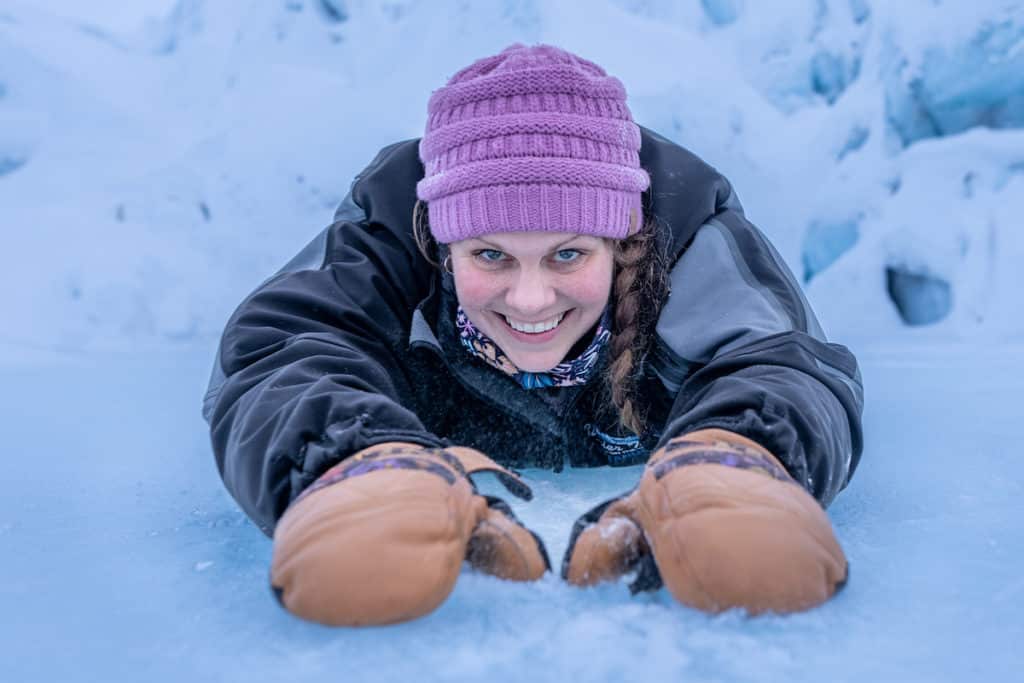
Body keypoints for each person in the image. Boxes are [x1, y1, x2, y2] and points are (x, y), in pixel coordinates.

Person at [202, 44, 864, 627]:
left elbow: (780, 359)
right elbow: (285, 349)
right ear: (442, 246)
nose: (529, 298)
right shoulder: (389, 233)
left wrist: (736, 458)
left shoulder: (687, 238)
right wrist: (355, 462)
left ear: (620, 242)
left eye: (567, 255)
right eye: (490, 256)